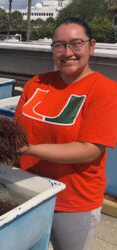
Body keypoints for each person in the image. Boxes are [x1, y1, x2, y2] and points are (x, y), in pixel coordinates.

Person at [13, 17, 117, 250]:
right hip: (26, 188)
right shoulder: (36, 84)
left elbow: (89, 149)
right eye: (59, 45)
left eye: (76, 43)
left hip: (73, 200)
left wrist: (29, 150)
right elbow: (15, 131)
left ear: (92, 46)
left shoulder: (105, 90)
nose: (67, 52)